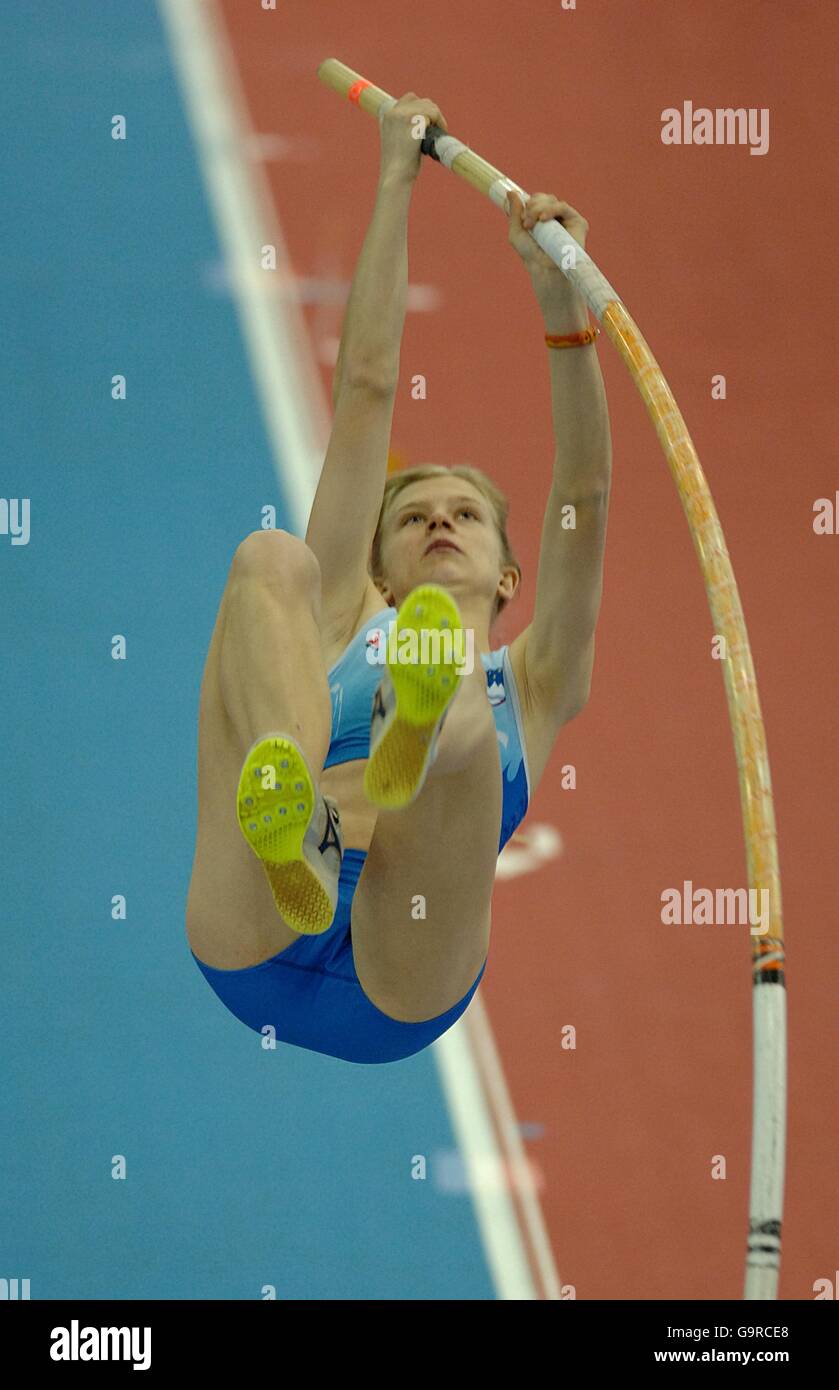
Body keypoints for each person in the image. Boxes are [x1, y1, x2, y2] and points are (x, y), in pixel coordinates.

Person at [186, 94, 613, 1064]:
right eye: (412, 514)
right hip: (257, 917)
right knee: (270, 560)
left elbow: (583, 485)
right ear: (378, 562)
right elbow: (369, 380)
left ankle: (414, 727)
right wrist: (393, 173)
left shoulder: (537, 679)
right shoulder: (347, 609)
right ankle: (295, 824)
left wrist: (562, 310)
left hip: (397, 972)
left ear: (509, 573)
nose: (436, 521)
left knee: (460, 696)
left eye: (462, 513)